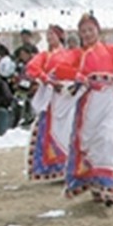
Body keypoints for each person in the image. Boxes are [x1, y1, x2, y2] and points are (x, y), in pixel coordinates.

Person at [65, 13, 113, 206]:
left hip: (108, 99)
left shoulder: (112, 51)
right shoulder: (77, 54)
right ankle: (95, 184)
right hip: (88, 101)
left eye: (90, 30)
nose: (87, 34)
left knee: (108, 140)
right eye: (83, 31)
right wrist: (79, 76)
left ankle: (109, 187)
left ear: (98, 31)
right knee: (90, 142)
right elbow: (60, 67)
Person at [24, 25, 80, 181]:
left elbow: (80, 70)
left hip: (68, 95)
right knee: (50, 130)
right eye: (47, 35)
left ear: (59, 36)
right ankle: (54, 168)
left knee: (69, 129)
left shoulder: (70, 54)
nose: (49, 37)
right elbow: (32, 68)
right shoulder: (45, 55)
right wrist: (47, 79)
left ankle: (70, 166)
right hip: (52, 96)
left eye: (52, 34)